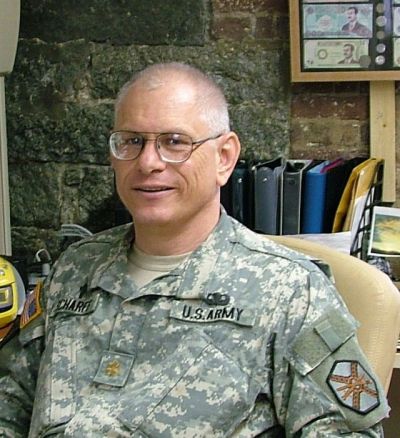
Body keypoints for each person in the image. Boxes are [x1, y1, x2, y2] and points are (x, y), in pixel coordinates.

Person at [0, 62, 389, 436]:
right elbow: (10, 404)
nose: (149, 162)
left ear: (224, 158)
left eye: (174, 142)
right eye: (131, 142)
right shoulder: (74, 269)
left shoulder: (289, 291)